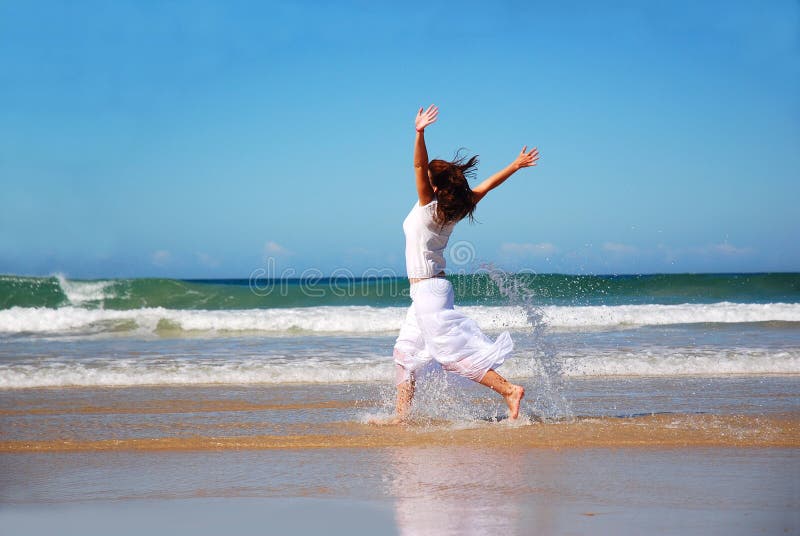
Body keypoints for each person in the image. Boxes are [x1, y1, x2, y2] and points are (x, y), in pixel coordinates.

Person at [390, 104, 539, 423]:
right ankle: (401, 418)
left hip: (429, 291)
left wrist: (419, 133)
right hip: (427, 292)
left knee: (451, 355)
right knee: (405, 354)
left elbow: (418, 165)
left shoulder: (429, 206)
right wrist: (514, 165)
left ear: (436, 186)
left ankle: (509, 390)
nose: (424, 179)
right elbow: (486, 186)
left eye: (429, 178)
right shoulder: (454, 208)